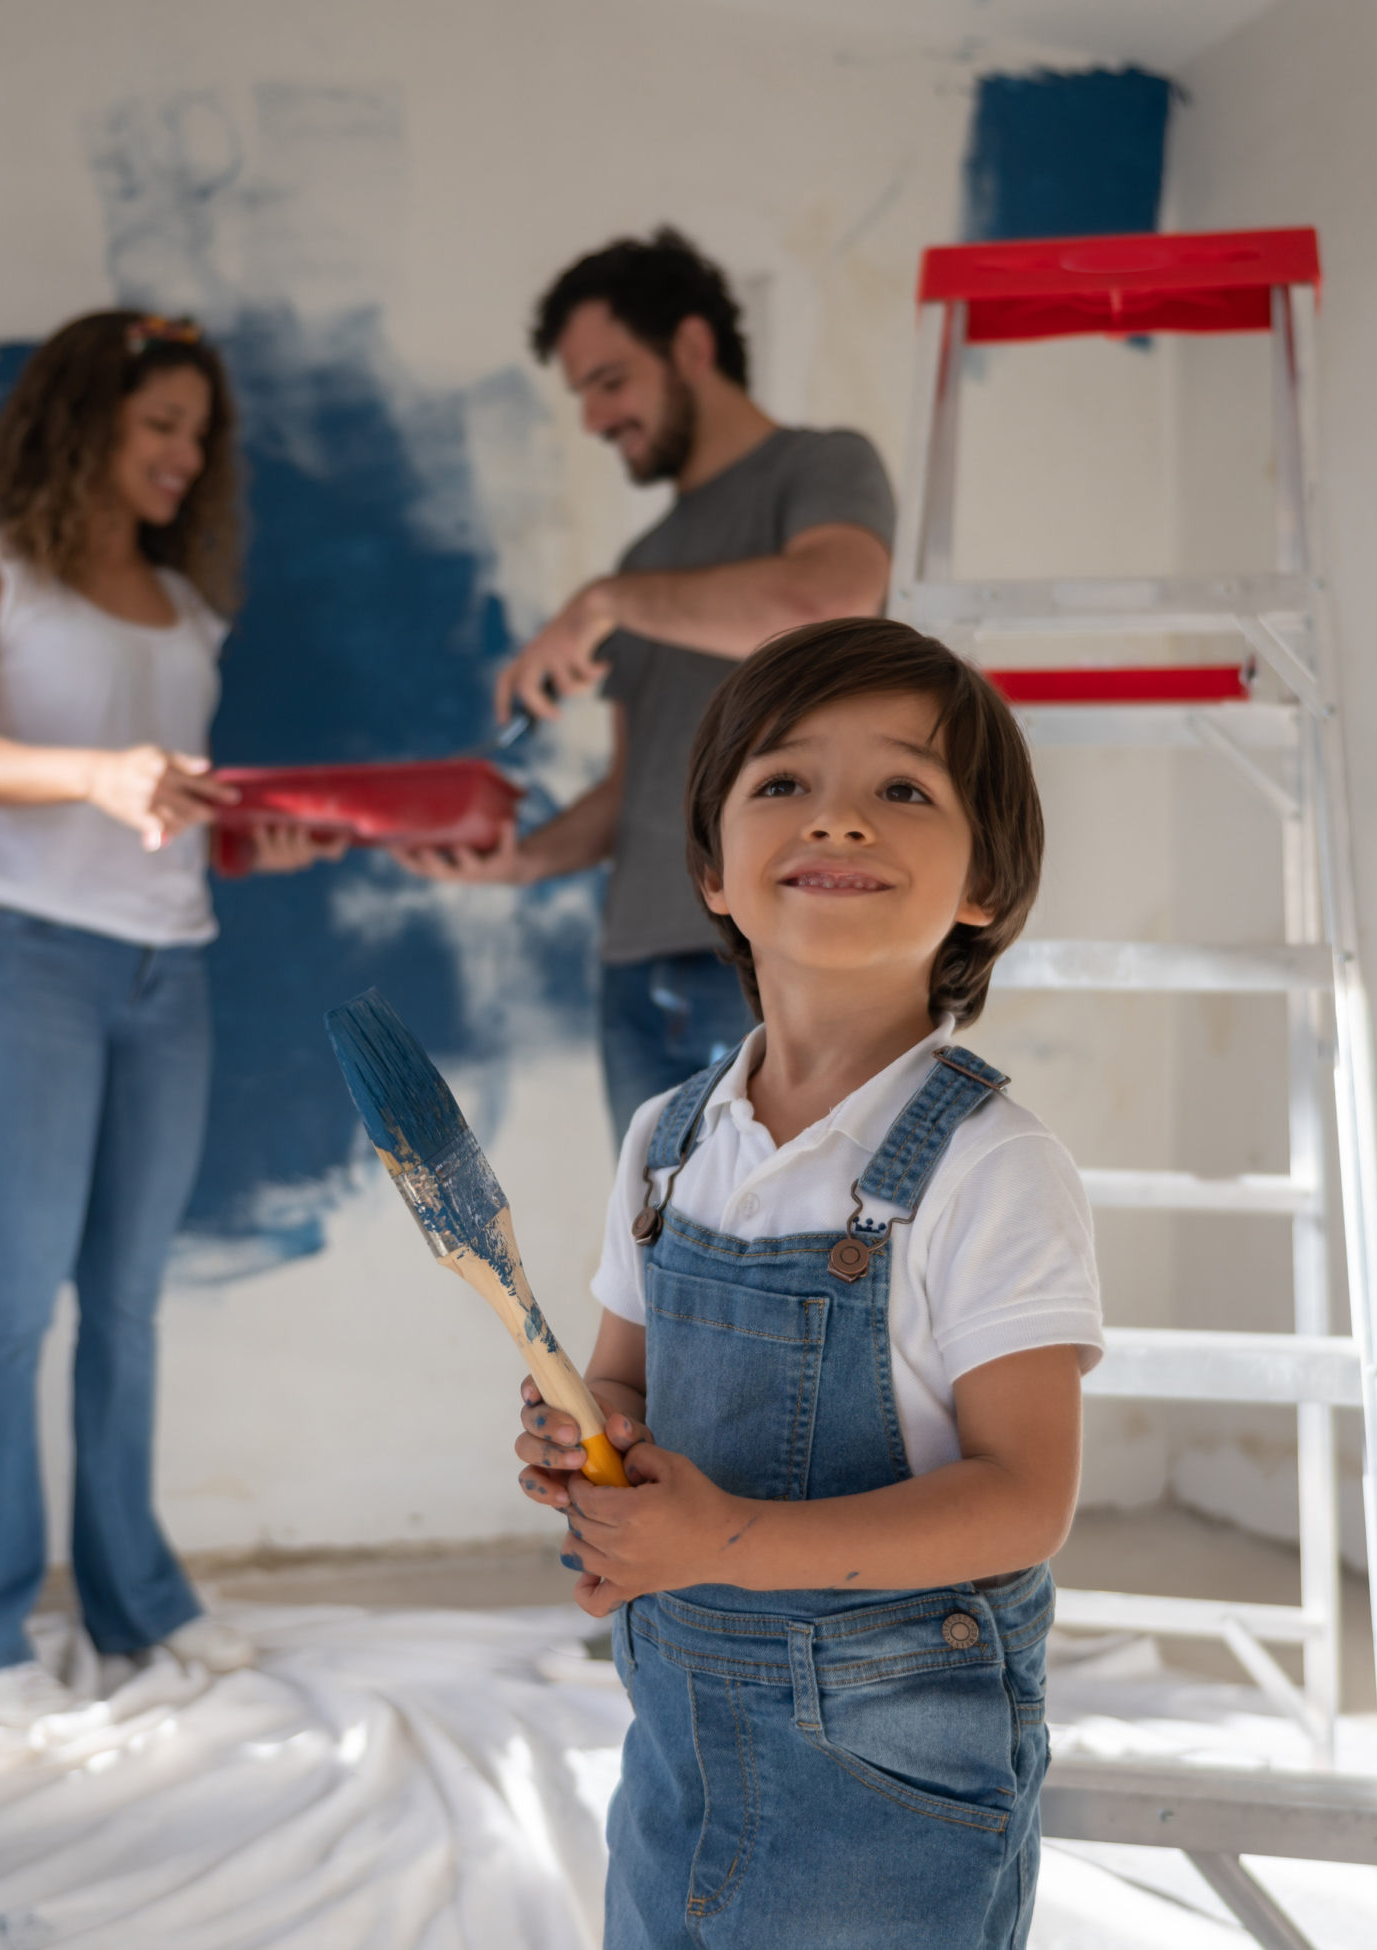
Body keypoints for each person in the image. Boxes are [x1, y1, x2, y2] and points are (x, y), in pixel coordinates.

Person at [511, 619, 1103, 1945]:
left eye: (902, 788)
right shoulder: (669, 1140)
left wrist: (723, 1538)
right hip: (678, 1765)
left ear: (985, 888)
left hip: (890, 1800)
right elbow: (621, 1384)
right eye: (784, 782)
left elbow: (1026, 1498)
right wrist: (583, 1444)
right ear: (714, 869)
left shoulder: (994, 1168)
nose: (836, 821)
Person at [0, 311, 339, 1728]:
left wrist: (251, 841)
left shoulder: (189, 609)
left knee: (130, 1309)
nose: (183, 455)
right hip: (22, 960)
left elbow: (169, 813)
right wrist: (99, 773)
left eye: (198, 433)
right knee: (16, 1302)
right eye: (159, 425)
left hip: (171, 972)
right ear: (79, 419)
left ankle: (133, 1594)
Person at [401, 229, 898, 1143]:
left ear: (694, 349)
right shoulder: (645, 563)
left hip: (761, 968)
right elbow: (635, 794)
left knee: (769, 1264)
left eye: (610, 380)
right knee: (655, 1275)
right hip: (634, 974)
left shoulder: (820, 467)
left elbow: (830, 601)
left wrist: (604, 603)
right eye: (582, 391)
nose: (592, 418)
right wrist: (526, 859)